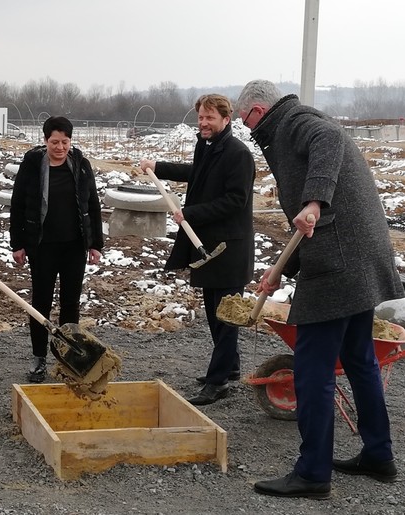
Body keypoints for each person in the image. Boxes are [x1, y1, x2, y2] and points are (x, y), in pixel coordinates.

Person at [236, 80, 404, 499]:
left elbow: (329, 142)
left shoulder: (295, 122)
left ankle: (312, 474)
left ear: (258, 111)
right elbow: (304, 229)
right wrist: (282, 270)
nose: (251, 134)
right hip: (357, 256)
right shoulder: (292, 126)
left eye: (246, 122)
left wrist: (313, 200)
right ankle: (378, 456)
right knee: (360, 359)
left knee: (312, 369)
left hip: (338, 264)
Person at [139, 94, 255, 406]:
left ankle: (217, 383)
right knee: (215, 313)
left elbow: (236, 200)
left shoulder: (238, 154)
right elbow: (197, 173)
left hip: (229, 249)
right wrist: (158, 166)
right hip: (208, 248)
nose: (203, 123)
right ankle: (230, 368)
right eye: (201, 117)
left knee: (226, 317)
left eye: (210, 118)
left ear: (226, 119)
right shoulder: (208, 146)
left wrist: (191, 213)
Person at [9, 116, 103, 383]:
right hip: (42, 246)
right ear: (45, 140)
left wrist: (95, 243)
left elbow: (92, 205)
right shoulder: (32, 165)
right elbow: (17, 204)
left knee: (70, 303)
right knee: (40, 303)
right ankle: (39, 358)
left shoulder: (80, 165)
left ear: (70, 141)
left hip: (74, 246)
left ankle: (70, 358)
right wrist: (18, 243)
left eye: (64, 142)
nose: (60, 147)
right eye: (54, 142)